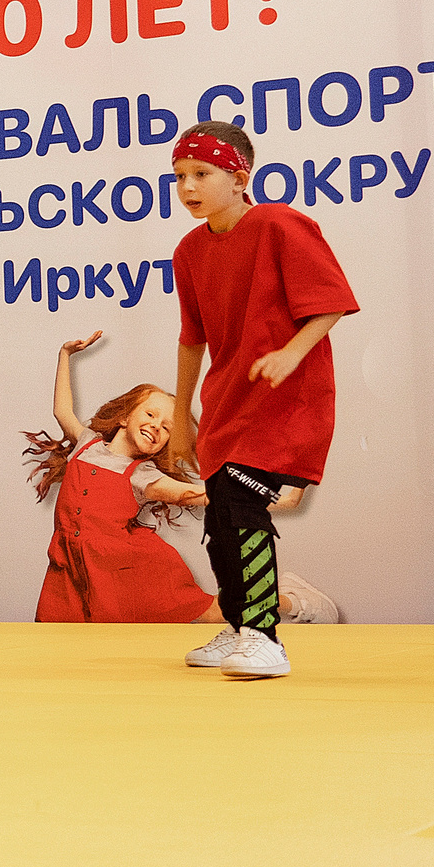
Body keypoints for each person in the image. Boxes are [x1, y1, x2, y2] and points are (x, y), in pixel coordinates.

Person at [170, 120, 357, 681]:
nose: (187, 187)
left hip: (282, 401)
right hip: (227, 400)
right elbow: (192, 339)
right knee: (220, 514)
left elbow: (332, 301)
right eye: (179, 176)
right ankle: (237, 626)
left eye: (201, 173)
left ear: (239, 177)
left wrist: (291, 354)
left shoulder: (279, 224)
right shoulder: (189, 251)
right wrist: (181, 416)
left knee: (242, 506)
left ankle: (263, 637)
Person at [26, 333, 341, 629]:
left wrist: (284, 497)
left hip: (125, 571)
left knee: (215, 613)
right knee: (63, 641)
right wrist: (65, 354)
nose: (157, 427)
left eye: (167, 428)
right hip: (69, 570)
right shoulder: (86, 443)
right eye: (150, 415)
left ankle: (294, 601)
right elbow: (62, 410)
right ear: (124, 417)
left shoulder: (142, 476)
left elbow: (205, 495)